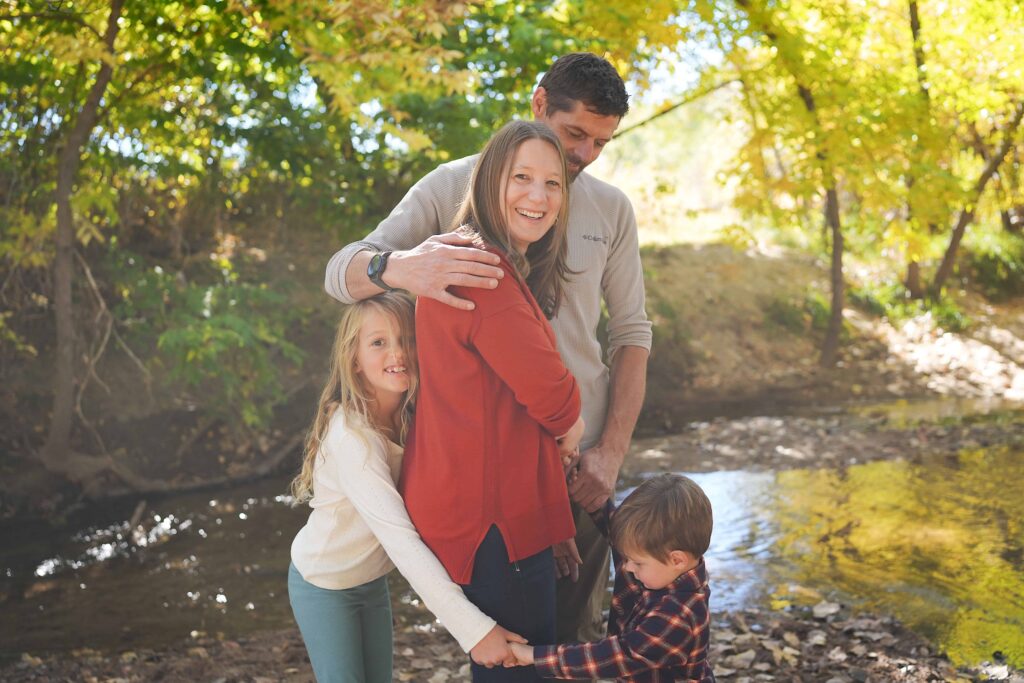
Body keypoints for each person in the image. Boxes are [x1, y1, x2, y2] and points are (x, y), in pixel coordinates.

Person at [325, 52, 652, 644]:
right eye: (574, 133)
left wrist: (610, 452)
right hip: (493, 473)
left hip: (582, 464)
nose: (584, 155)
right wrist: (402, 267)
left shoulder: (611, 209)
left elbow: (631, 335)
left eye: (601, 143)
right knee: (507, 638)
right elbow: (339, 274)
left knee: (572, 640)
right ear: (538, 104)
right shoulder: (451, 188)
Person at [400, 120, 586, 682]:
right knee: (516, 672)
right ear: (488, 181)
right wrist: (573, 426)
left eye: (552, 183)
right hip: (492, 520)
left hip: (485, 507)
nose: (539, 196)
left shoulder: (475, 259)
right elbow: (553, 399)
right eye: (521, 177)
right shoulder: (484, 273)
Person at [287, 291, 526, 683]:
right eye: (378, 343)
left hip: (370, 581)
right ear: (354, 358)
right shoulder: (353, 439)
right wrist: (476, 632)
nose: (397, 353)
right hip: (324, 583)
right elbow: (401, 540)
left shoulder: (415, 416)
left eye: (407, 340)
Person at [507, 473, 716, 682]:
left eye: (637, 562)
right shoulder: (655, 561)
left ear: (677, 560)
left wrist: (535, 656)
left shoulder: (679, 617)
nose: (626, 566)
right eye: (627, 557)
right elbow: (612, 524)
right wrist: (579, 485)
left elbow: (616, 656)